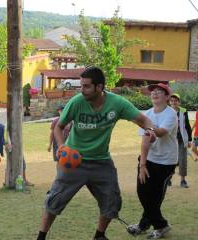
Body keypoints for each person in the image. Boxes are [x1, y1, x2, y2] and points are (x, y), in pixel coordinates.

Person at [37, 66, 155, 240]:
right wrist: (61, 146)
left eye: (86, 86)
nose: (81, 90)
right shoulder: (77, 102)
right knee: (55, 200)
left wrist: (150, 129)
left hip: (101, 161)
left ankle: (99, 235)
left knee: (112, 201)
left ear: (99, 87)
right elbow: (59, 126)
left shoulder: (117, 103)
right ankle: (41, 237)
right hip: (73, 161)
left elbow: (143, 119)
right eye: (81, 85)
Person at [127, 83, 178, 239]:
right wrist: (142, 163)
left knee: (154, 196)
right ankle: (161, 225)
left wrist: (144, 124)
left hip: (166, 161)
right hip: (148, 159)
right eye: (152, 92)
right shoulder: (147, 114)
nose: (154, 93)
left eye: (159, 92)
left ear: (167, 97)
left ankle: (145, 225)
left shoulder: (170, 114)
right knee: (142, 192)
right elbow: (146, 140)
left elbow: (161, 133)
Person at [169, 93, 192, 188]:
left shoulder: (183, 111)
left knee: (183, 159)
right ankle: (168, 179)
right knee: (171, 159)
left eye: (176, 101)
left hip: (182, 139)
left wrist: (190, 139)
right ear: (170, 102)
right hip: (170, 140)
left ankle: (183, 180)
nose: (174, 102)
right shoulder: (167, 111)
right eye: (172, 101)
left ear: (179, 102)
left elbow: (187, 125)